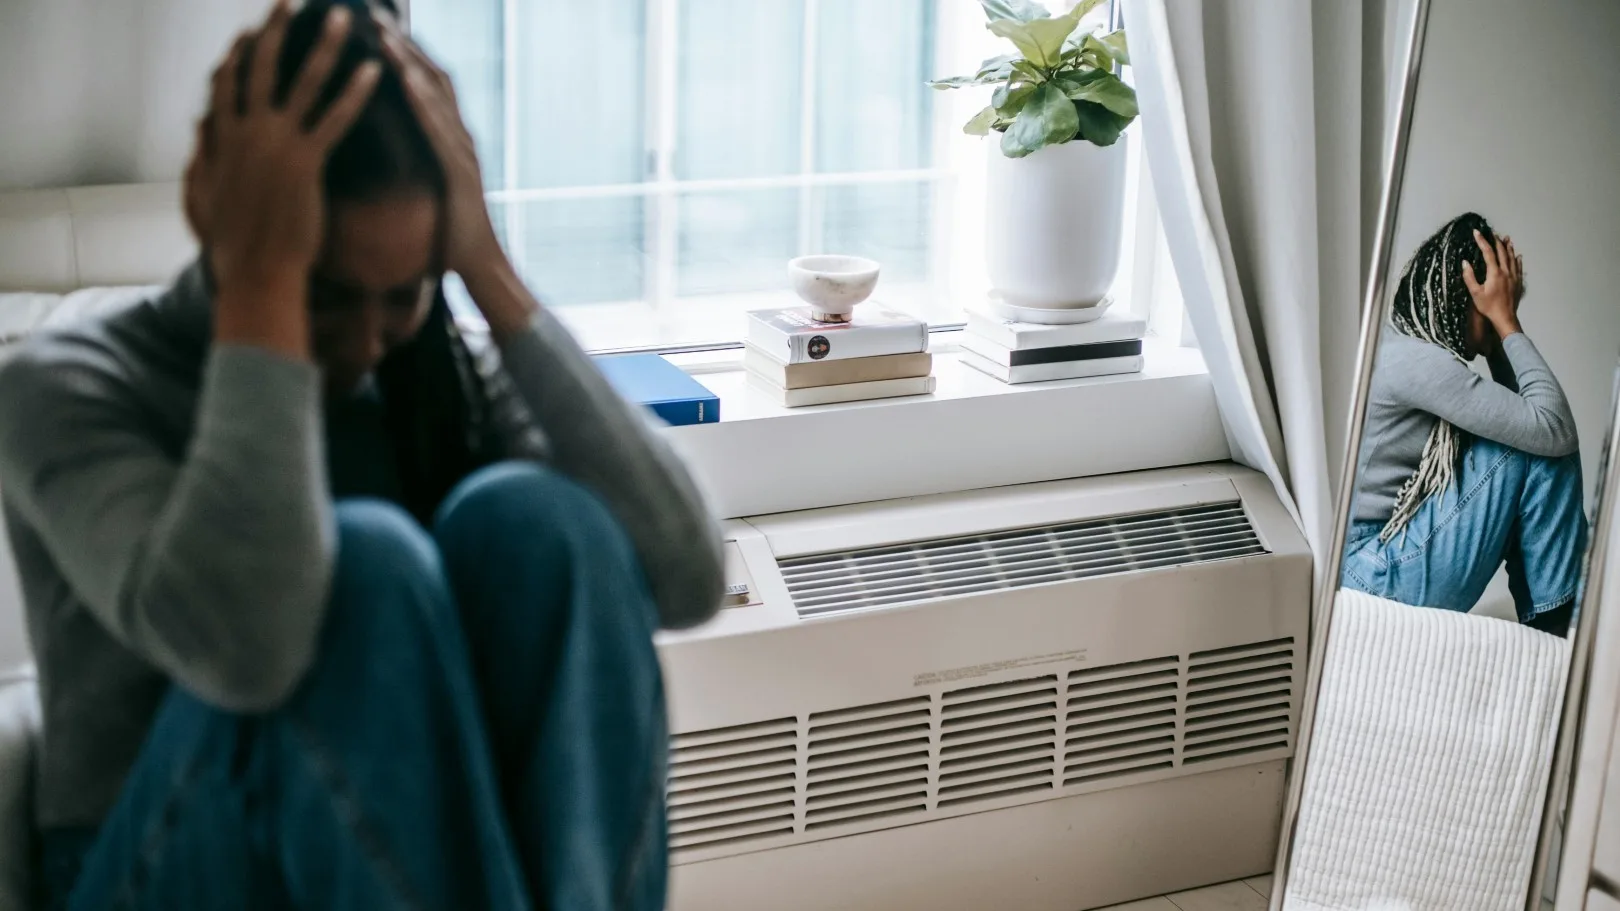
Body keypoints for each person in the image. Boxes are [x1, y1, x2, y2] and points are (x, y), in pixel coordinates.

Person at [0, 1, 724, 908]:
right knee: (368, 564)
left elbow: (688, 578)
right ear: (219, 213)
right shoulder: (68, 386)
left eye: (404, 295)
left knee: (544, 523)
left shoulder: (429, 378)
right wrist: (262, 288)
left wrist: (487, 273)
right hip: (149, 861)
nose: (364, 345)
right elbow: (247, 650)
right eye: (327, 295)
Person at [1342, 212, 1586, 636]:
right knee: (1541, 449)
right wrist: (1507, 324)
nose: (1501, 312)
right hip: (1371, 575)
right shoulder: (1420, 363)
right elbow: (1552, 426)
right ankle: (1560, 626)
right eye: (1496, 301)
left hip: (1365, 564)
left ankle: (1558, 623)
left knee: (1536, 442)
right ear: (1469, 296)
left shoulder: (1402, 344)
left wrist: (1498, 339)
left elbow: (1533, 419)